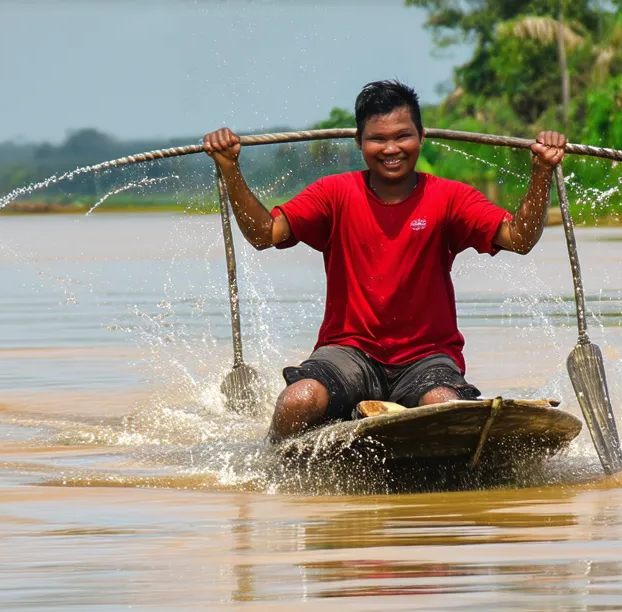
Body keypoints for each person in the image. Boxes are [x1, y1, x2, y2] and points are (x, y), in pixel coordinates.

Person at [204, 79, 565, 442]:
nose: (391, 149)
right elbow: (264, 235)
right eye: (378, 139)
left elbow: (519, 239)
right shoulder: (334, 194)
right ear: (359, 142)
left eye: (402, 136)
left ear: (421, 136)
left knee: (443, 404)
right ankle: (272, 465)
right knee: (298, 400)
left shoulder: (449, 197)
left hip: (427, 358)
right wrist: (230, 169)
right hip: (349, 353)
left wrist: (541, 171)